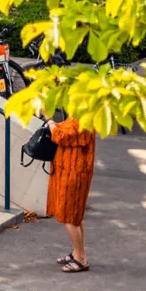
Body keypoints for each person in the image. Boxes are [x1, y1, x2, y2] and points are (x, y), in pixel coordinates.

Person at [47, 116, 97, 273]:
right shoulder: (82, 113)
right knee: (76, 215)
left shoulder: (82, 116)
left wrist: (49, 121)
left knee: (69, 216)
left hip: (73, 172)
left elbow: (62, 136)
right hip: (72, 170)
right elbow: (65, 129)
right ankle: (77, 252)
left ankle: (80, 258)